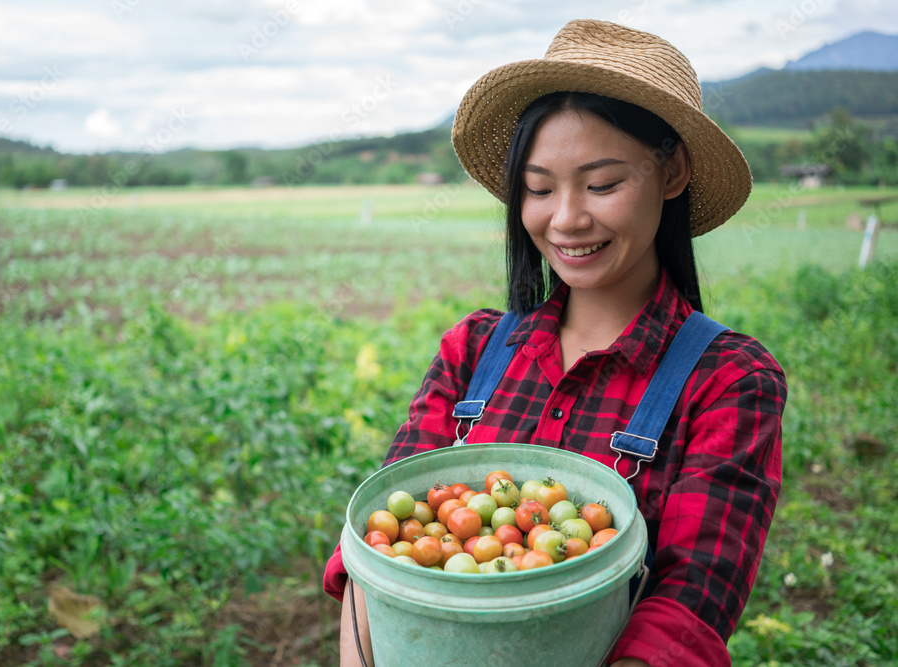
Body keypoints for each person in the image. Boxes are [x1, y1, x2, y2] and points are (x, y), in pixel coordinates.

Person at [324, 19, 786, 667]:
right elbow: (372, 555)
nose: (565, 217)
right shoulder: (473, 350)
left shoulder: (728, 379)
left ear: (673, 170)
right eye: (539, 189)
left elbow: (691, 600)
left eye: (601, 184)